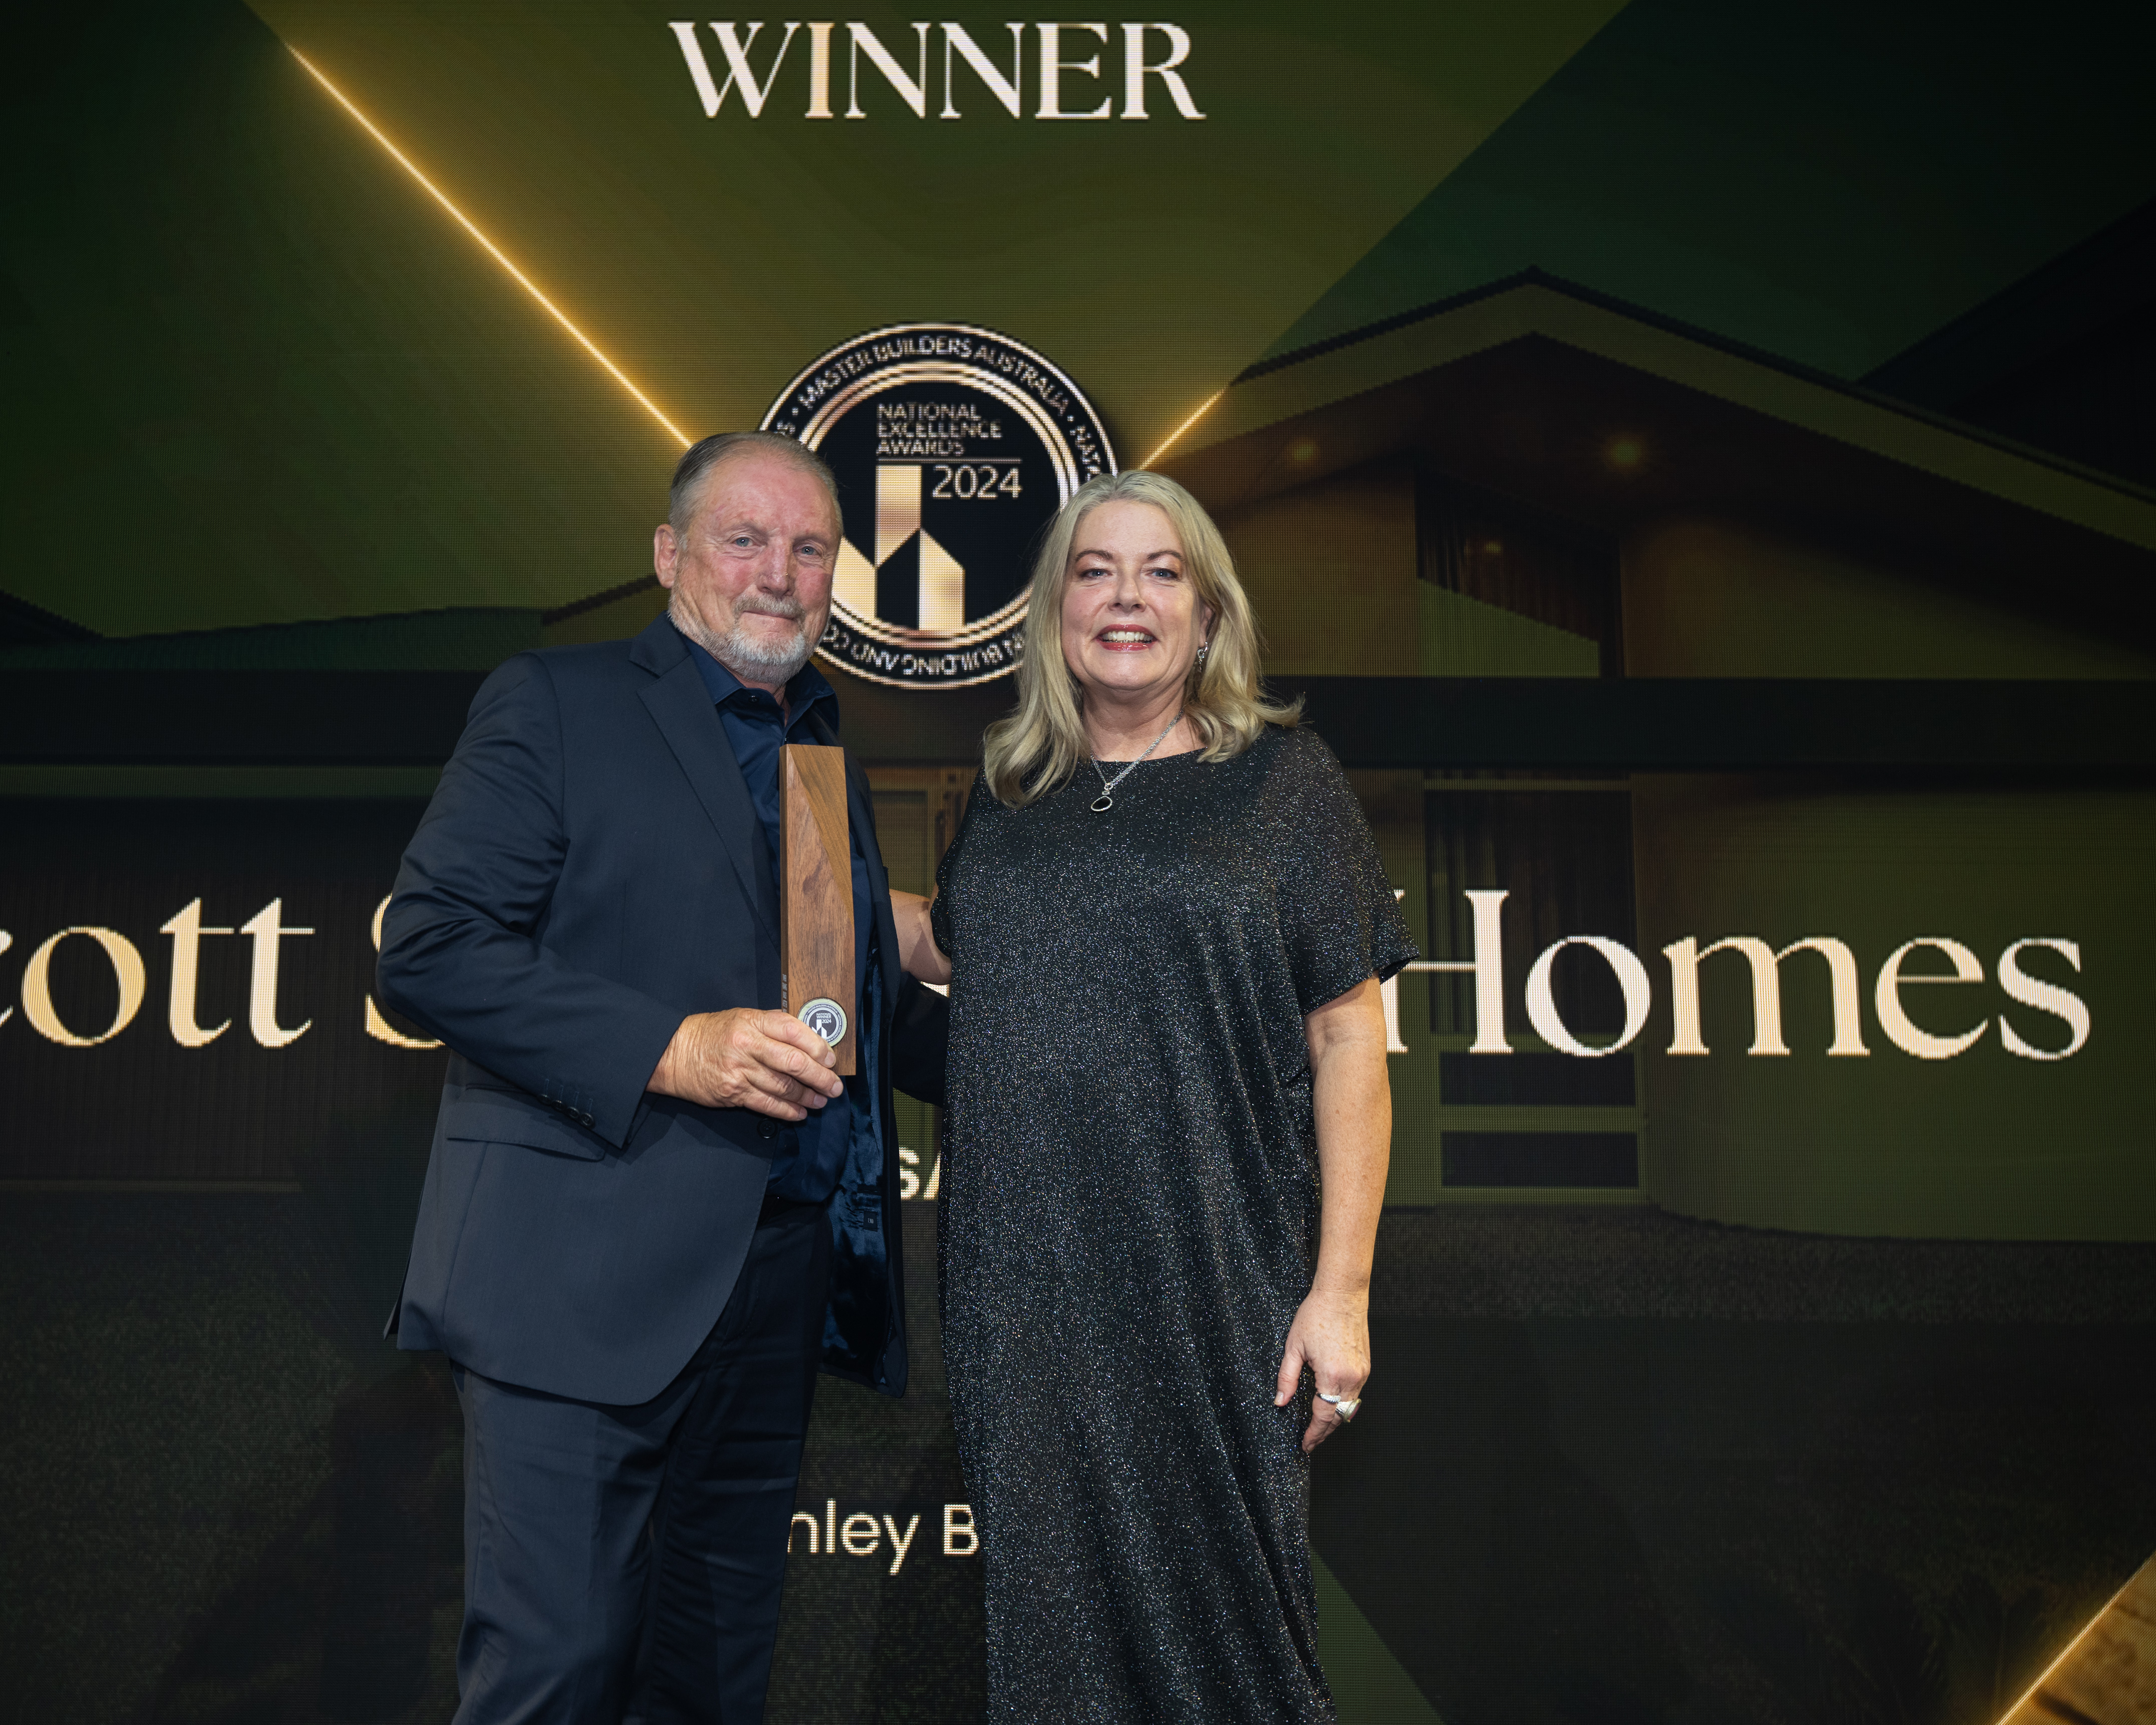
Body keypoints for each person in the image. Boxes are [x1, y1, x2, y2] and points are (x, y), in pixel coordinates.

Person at [379, 432, 946, 1724]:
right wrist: (670, 1047)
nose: (779, 574)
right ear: (669, 554)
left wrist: (1092, 1055)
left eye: (810, 549)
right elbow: (429, 951)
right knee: (558, 1676)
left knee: (708, 1687)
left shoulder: (818, 747)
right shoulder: (556, 699)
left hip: (771, 1288)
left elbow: (859, 997)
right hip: (577, 1285)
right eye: (744, 540)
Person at [889, 469, 1416, 1722]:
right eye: (1095, 569)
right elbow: (945, 943)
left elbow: (1349, 1038)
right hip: (1023, 1293)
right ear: (1056, 610)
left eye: (1162, 570)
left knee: (1236, 1639)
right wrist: (789, 868)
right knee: (1052, 1635)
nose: (1127, 597)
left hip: (1213, 1280)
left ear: (1209, 612)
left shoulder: (1282, 785)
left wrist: (1339, 1291)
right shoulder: (1014, 798)